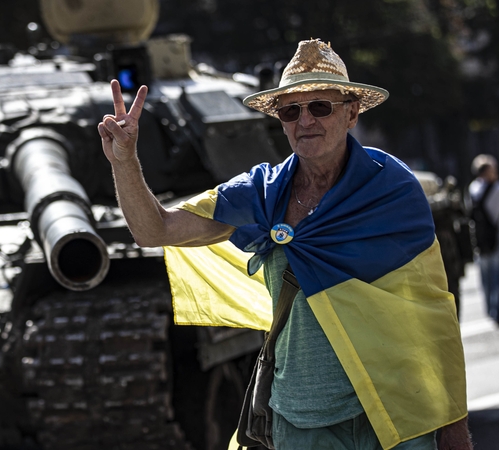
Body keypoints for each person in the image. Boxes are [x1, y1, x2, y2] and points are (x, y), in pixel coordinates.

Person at [98, 39, 471, 450]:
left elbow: (431, 312)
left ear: (351, 112)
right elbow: (156, 230)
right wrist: (125, 160)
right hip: (301, 422)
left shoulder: (391, 187)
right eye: (291, 110)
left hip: (396, 412)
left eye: (320, 106)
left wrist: (454, 429)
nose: (305, 120)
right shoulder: (261, 191)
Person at [468, 154, 499, 325]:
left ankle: (489, 311)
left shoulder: (472, 189)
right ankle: (498, 312)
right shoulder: (498, 188)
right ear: (487, 171)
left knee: (485, 278)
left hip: (480, 240)